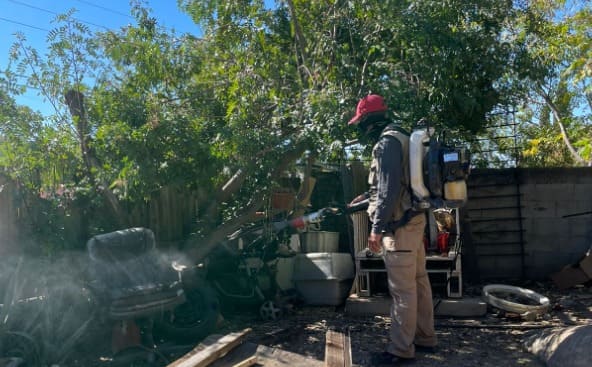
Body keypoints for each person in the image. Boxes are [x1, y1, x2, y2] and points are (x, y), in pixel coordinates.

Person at [348, 94, 437, 365]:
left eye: (361, 122)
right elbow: (392, 184)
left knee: (402, 290)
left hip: (399, 228)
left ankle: (400, 349)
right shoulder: (401, 136)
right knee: (419, 282)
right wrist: (365, 197)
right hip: (413, 221)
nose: (361, 129)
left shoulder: (386, 143)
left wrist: (375, 229)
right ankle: (425, 337)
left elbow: (388, 191)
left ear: (370, 121)